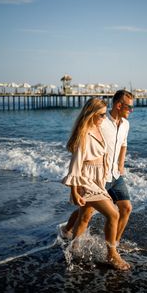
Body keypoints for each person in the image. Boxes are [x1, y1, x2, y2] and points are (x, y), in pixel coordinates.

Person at [62, 97, 130, 270]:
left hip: (100, 180)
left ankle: (73, 248)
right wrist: (74, 191)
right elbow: (75, 166)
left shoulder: (99, 128)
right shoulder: (84, 135)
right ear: (91, 114)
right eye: (100, 115)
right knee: (113, 214)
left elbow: (119, 146)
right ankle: (112, 254)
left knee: (84, 216)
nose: (103, 118)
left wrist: (118, 166)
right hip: (87, 181)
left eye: (103, 114)